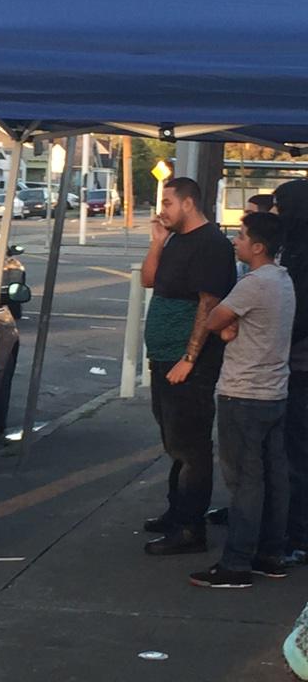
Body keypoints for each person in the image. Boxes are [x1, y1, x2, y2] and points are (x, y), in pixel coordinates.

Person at [188, 213, 294, 588]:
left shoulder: (253, 284)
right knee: (272, 477)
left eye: (243, 235)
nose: (236, 240)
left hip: (243, 393)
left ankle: (236, 564)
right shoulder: (283, 280)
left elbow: (215, 319)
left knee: (245, 482)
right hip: (274, 391)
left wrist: (228, 326)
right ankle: (271, 552)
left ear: (259, 246)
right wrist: (232, 325)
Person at [141, 177, 236, 555]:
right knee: (173, 439)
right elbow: (151, 280)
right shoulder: (175, 239)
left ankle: (190, 527)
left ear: (188, 203)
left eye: (167, 203)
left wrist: (190, 358)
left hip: (187, 361)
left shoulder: (211, 244)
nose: (161, 210)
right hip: (163, 355)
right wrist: (157, 242)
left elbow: (208, 303)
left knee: (191, 443)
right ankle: (176, 510)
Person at [276, 180, 308, 563]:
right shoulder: (295, 248)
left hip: (299, 365)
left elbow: (300, 316)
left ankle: (299, 533)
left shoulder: (301, 252)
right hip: (293, 362)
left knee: (297, 453)